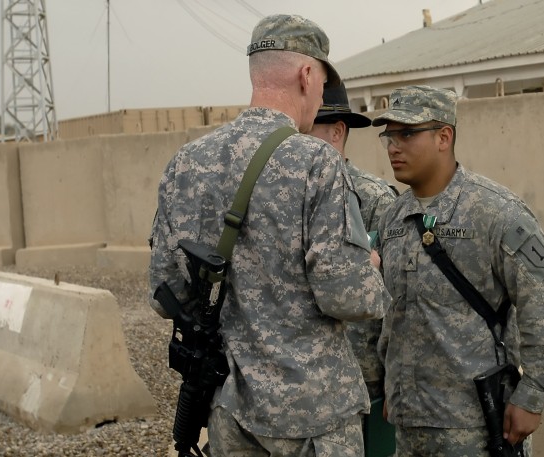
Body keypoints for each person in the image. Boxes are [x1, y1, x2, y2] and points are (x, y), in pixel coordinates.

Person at [148, 13, 391, 457]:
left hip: (229, 411)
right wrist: (369, 270)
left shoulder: (185, 164)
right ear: (306, 75)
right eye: (322, 84)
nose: (320, 97)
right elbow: (351, 298)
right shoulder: (317, 163)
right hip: (312, 419)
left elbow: (166, 292)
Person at [373, 85, 544, 456]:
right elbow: (392, 315)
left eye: (408, 134)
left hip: (474, 426)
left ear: (444, 136)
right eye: (389, 136)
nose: (393, 147)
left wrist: (534, 393)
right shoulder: (394, 218)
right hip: (408, 422)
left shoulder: (495, 212)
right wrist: (393, 387)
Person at [309, 81, 399, 401]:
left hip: (364, 376)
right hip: (310, 373)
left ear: (336, 133)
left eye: (306, 132)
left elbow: (397, 298)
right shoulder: (292, 197)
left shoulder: (374, 199)